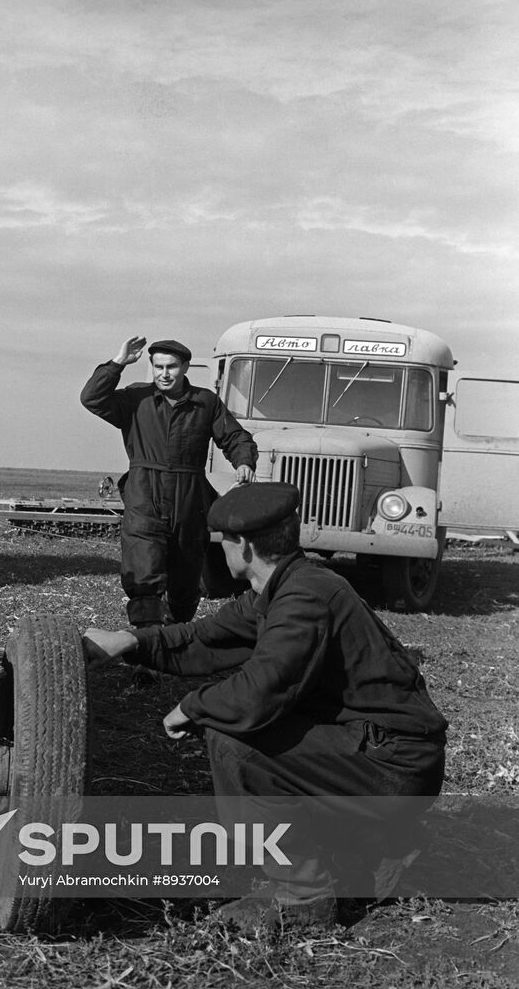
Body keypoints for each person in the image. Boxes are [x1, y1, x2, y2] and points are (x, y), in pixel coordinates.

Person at [83, 481, 447, 934]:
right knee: (254, 732)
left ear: (246, 547)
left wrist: (192, 707)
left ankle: (303, 897)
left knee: (237, 741)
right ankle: (377, 843)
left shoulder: (305, 598)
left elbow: (261, 693)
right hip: (384, 753)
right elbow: (204, 639)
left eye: (225, 541)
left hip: (394, 764)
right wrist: (131, 641)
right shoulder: (284, 588)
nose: (222, 550)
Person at [80, 336, 258, 627]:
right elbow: (92, 398)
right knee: (143, 570)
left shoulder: (205, 402)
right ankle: (148, 641)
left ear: (186, 367)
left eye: (172, 367)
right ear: (151, 367)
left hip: (190, 499)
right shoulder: (135, 398)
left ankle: (178, 637)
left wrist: (244, 461)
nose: (164, 373)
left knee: (186, 576)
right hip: (144, 494)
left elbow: (234, 436)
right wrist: (117, 364)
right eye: (158, 366)